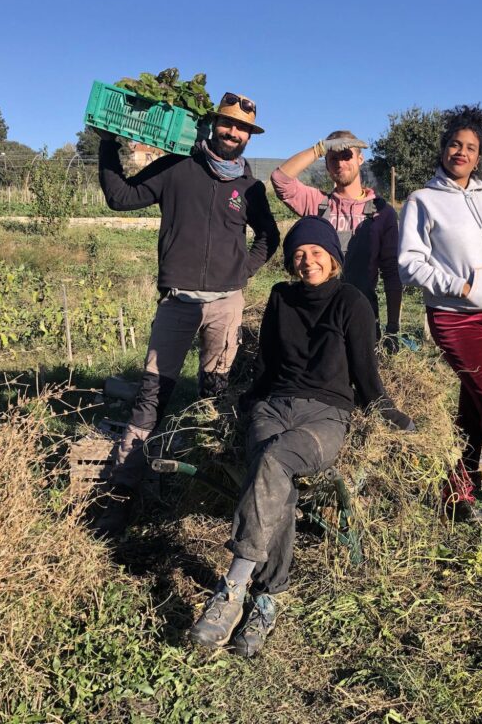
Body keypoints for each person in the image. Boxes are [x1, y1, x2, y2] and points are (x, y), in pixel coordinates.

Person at [189, 216, 414, 656]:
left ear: (332, 258)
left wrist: (392, 415)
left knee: (273, 463)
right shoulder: (280, 297)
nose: (306, 260)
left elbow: (366, 377)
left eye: (315, 252)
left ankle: (233, 588)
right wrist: (248, 401)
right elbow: (268, 363)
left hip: (325, 416)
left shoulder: (353, 302)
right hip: (273, 406)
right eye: (298, 255)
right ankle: (268, 600)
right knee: (277, 483)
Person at [92, 92, 280, 536]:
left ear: (249, 136)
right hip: (177, 302)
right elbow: (121, 197)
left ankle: (207, 487)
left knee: (216, 395)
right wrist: (107, 145)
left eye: (243, 129)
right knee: (151, 395)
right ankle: (122, 493)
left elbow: (268, 237)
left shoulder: (249, 187)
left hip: (225, 305)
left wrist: (241, 273)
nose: (234, 133)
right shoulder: (178, 166)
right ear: (213, 123)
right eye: (228, 124)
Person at [397, 105, 482, 528]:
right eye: (455, 144)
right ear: (443, 150)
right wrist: (463, 287)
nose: (462, 152)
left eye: (470, 147)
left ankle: (457, 488)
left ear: (478, 157)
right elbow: (410, 264)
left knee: (477, 402)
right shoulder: (423, 201)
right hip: (456, 317)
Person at [271, 132, 402, 348]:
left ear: (360, 159)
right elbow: (280, 180)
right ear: (326, 165)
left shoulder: (382, 212)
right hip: (317, 316)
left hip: (362, 315)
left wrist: (393, 328)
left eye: (347, 156)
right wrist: (320, 149)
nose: (340, 163)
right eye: (333, 158)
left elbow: (391, 271)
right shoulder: (317, 203)